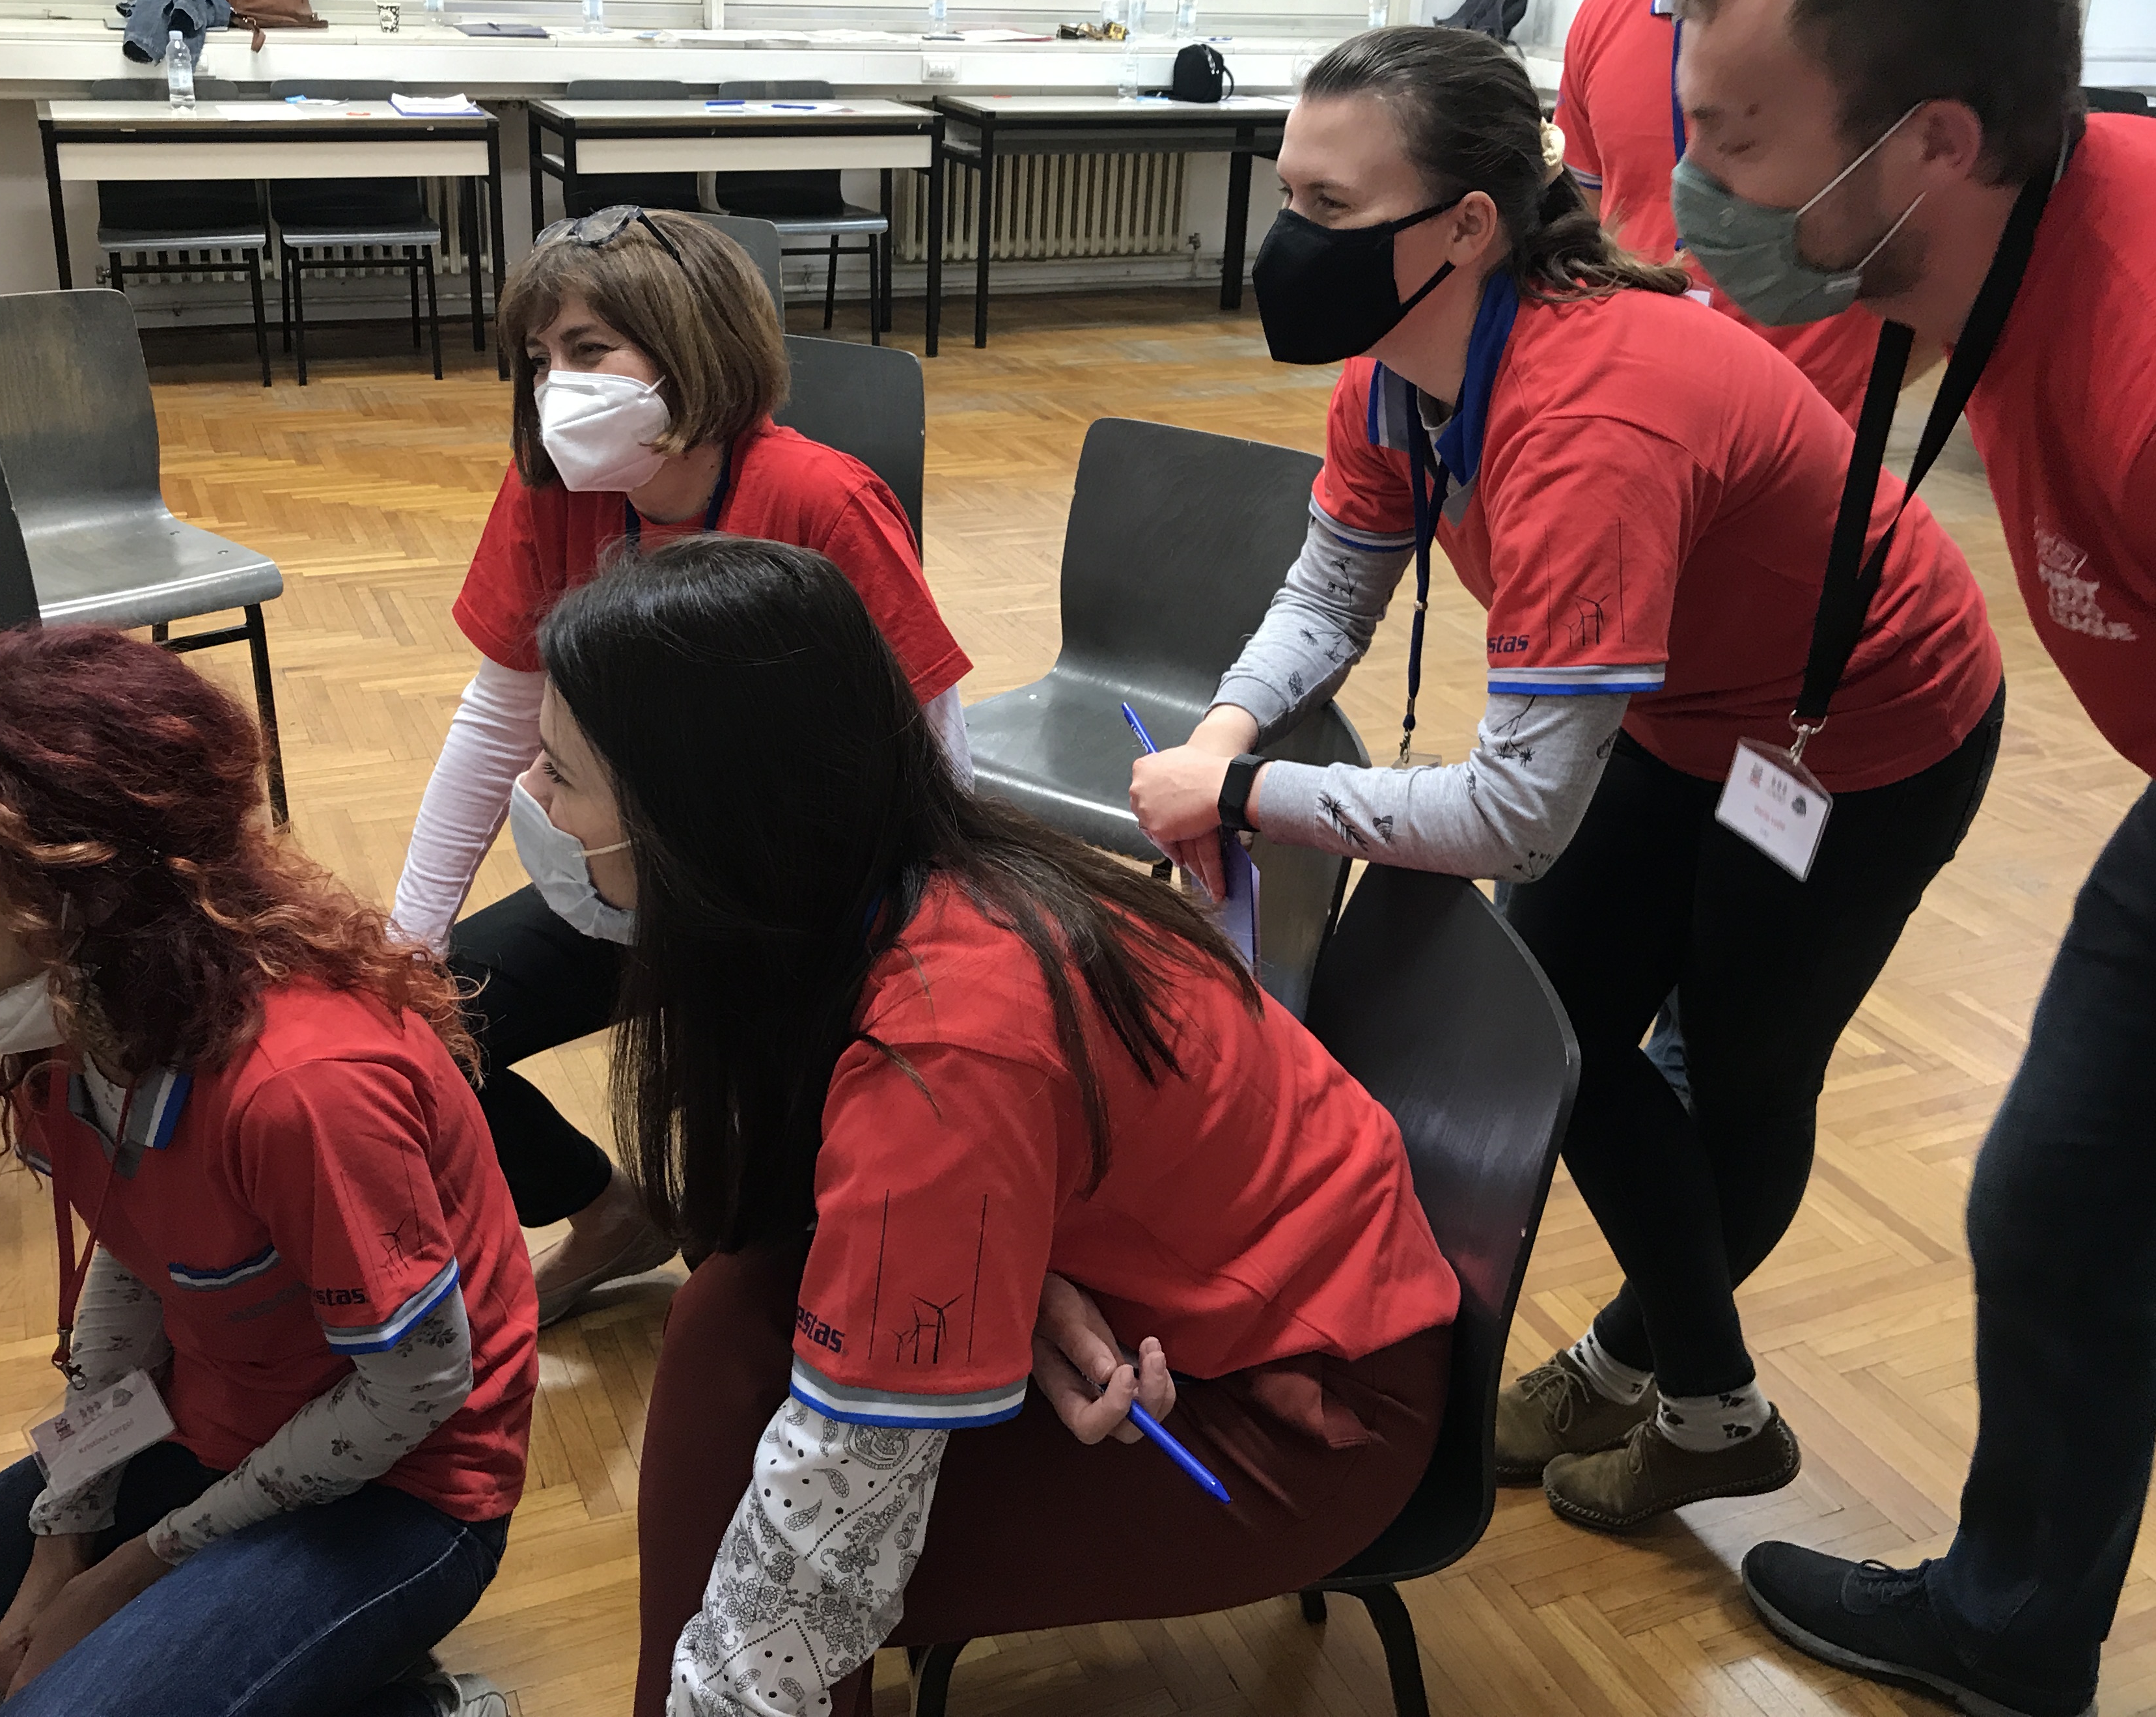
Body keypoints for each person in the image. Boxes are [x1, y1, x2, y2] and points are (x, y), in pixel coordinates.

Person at [1670, 0, 2156, 1717]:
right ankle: (2010, 1626)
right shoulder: (2006, 225)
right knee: (2056, 1213)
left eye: (1736, 141)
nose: (1696, 186)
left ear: (1931, 143)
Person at [1127, 25, 2005, 1531]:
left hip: (1856, 737)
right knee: (1567, 1036)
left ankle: (1692, 1400)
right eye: (1290, 197)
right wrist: (1225, 728)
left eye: (1331, 207)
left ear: (1467, 225)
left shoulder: (1589, 419)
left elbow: (1513, 815)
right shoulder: (1403, 369)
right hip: (1680, 706)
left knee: (1739, 1077)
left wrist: (1247, 796)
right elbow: (1334, 587)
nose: (1290, 240)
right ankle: (1670, 1382)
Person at [513, 534, 1457, 1717]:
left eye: (558, 774)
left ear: (695, 817)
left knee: (772, 1561)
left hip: (1299, 1412)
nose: (532, 799)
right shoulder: (907, 887)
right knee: (726, 1323)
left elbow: (824, 1550)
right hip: (1199, 1316)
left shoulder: (944, 1047)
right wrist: (1028, 1281)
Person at [0, 627, 536, 1717]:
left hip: (404, 1489)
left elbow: (415, 1390)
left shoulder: (305, 1090)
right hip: (203, 1424)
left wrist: (130, 1569)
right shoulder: (68, 1014)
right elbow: (144, 1253)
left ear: (78, 887)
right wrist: (60, 1535)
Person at [387, 205, 972, 1323]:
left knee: (741, 1241)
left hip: (783, 911)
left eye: (589, 349)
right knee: (413, 1032)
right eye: (539, 359)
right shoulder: (549, 488)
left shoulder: (821, 500)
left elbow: (931, 758)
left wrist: (916, 978)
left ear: (690, 345)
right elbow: (496, 716)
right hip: (624, 883)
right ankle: (606, 1212)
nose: (556, 386)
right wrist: (407, 942)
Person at [1556, 0, 1879, 422]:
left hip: (1808, 426)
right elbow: (1586, 222)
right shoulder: (1607, 15)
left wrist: (1849, 396)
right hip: (1629, 401)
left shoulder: (1887, 13)